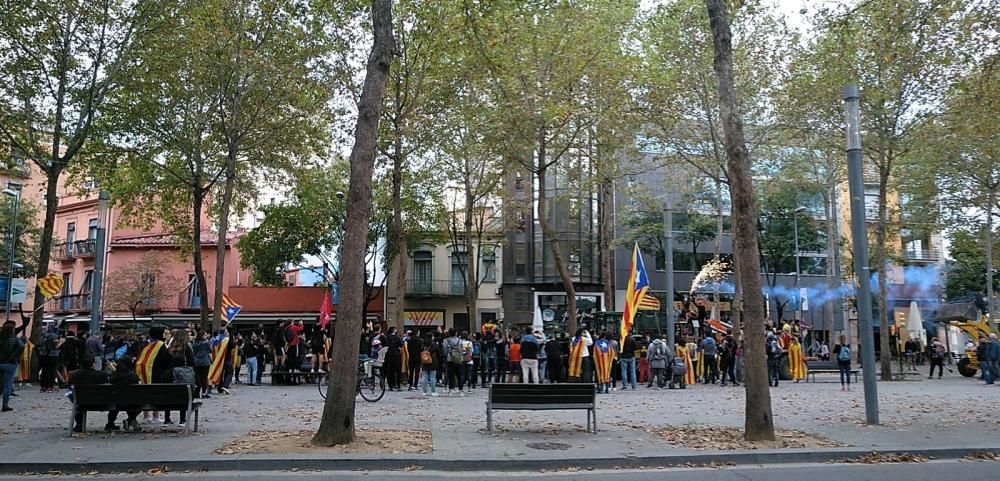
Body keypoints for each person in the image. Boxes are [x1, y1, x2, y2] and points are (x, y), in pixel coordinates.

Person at [68, 356, 111, 432]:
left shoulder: (74, 375)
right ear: (93, 364)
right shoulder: (101, 375)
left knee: (76, 398)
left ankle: (79, 424)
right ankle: (111, 423)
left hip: (81, 401)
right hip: (101, 402)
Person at [165, 328, 194, 427]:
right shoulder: (187, 347)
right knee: (184, 393)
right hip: (184, 373)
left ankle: (167, 418)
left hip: (170, 373)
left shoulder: (170, 347)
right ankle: (182, 419)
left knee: (168, 394)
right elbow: (192, 361)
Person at [0, 320, 25, 412]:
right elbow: (22, 346)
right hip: (10, 364)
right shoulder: (15, 338)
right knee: (7, 385)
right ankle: (5, 405)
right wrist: (14, 356)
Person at [192, 330, 213, 397]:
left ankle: (197, 392)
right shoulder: (206, 343)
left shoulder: (194, 344)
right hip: (205, 362)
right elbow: (211, 350)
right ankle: (204, 393)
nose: (206, 336)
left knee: (197, 377)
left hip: (196, 362)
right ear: (202, 336)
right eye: (205, 335)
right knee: (204, 377)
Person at [443, 329, 464, 395]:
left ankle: (451, 390)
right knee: (459, 375)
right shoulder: (460, 340)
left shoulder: (446, 340)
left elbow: (445, 350)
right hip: (458, 359)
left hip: (450, 358)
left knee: (451, 375)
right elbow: (461, 349)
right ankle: (460, 390)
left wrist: (448, 355)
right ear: (456, 333)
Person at [384, 327, 403, 391]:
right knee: (398, 371)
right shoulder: (397, 337)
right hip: (396, 355)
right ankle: (398, 385)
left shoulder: (387, 337)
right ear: (394, 331)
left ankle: (390, 385)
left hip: (389, 355)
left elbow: (385, 345)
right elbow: (401, 344)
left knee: (390, 371)